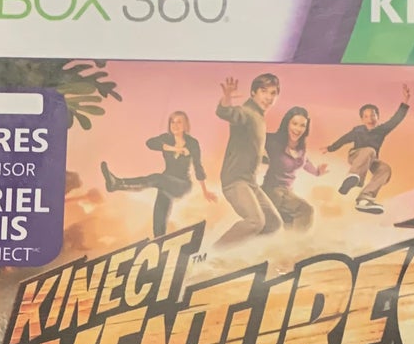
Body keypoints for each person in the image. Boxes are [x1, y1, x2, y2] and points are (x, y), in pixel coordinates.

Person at [101, 110, 216, 238]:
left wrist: (205, 191)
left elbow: (198, 167)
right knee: (159, 218)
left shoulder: (192, 143)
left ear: (185, 125)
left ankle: (118, 184)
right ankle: (159, 242)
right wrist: (174, 148)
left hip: (182, 185)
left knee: (157, 178)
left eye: (179, 122)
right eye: (172, 122)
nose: (175, 125)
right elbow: (150, 143)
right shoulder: (166, 139)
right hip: (165, 182)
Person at [215, 72, 282, 245]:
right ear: (253, 93)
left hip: (250, 182)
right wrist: (227, 98)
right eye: (264, 91)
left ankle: (242, 251)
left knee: (273, 223)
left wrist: (264, 158)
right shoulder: (247, 112)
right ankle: (216, 251)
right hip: (235, 181)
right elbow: (227, 112)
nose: (268, 97)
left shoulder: (259, 118)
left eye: (273, 93)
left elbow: (251, 142)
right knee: (255, 221)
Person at [326, 86, 412, 214]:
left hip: (371, 159)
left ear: (377, 117)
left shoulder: (381, 130)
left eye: (373, 115)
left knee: (385, 169)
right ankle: (353, 178)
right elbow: (344, 139)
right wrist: (330, 148)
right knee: (369, 150)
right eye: (366, 117)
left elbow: (396, 119)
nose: (370, 119)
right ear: (362, 119)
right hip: (355, 155)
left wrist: (406, 100)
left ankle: (365, 198)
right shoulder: (358, 130)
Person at [260, 106, 326, 230]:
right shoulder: (273, 141)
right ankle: (300, 242)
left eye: (302, 125)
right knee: (305, 210)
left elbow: (305, 161)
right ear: (287, 124)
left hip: (287, 192)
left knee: (288, 224)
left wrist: (317, 172)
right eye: (294, 124)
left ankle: (292, 242)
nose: (298, 129)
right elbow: (253, 141)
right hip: (272, 190)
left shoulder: (300, 148)